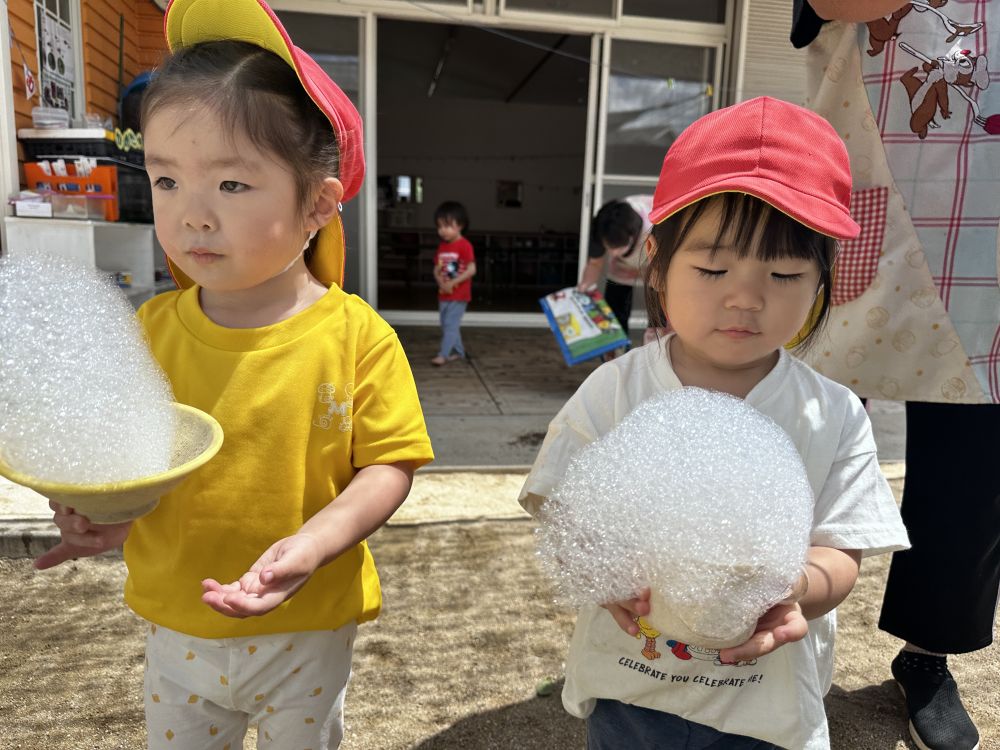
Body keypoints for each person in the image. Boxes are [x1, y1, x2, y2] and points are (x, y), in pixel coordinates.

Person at [33, 1, 434, 748]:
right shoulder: (149, 334)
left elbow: (388, 465)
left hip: (307, 623)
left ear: (318, 203)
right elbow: (135, 461)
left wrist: (313, 544)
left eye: (232, 186)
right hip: (176, 620)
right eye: (166, 181)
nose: (193, 217)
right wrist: (100, 513)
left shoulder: (354, 336)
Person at [519, 97, 910, 749]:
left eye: (783, 273)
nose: (745, 296)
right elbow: (559, 506)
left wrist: (801, 586)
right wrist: (599, 564)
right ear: (657, 261)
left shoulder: (834, 413)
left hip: (765, 708)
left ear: (821, 282)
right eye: (712, 268)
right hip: (631, 686)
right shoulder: (617, 389)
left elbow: (845, 550)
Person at [791, 3, 999, 748]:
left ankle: (928, 653)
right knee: (798, 429)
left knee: (975, 465)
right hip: (867, 199)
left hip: (988, 228)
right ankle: (760, 627)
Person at [577, 195, 653, 350]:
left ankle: (653, 357)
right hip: (621, 268)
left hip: (658, 266)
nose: (610, 253)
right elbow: (595, 263)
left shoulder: (656, 224)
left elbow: (670, 271)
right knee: (614, 320)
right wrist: (584, 290)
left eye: (616, 248)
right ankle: (616, 356)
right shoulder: (603, 227)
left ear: (632, 237)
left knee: (658, 325)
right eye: (608, 248)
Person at [431, 201, 476, 366]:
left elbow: (471, 269)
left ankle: (443, 355)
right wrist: (441, 282)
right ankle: (459, 351)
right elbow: (437, 269)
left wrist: (453, 283)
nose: (443, 230)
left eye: (448, 226)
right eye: (440, 226)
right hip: (444, 293)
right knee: (447, 324)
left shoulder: (465, 246)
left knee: (450, 324)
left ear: (460, 226)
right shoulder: (443, 246)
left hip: (459, 294)